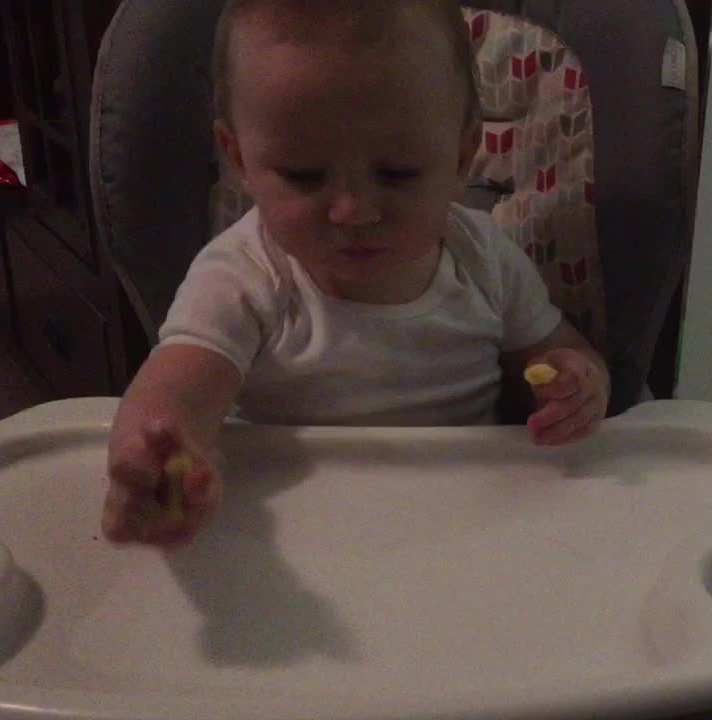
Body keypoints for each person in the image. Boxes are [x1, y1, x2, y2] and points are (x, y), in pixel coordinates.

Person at [101, 0, 609, 548]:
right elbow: (177, 389)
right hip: (299, 535)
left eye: (397, 173)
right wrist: (160, 456)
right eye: (304, 175)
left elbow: (555, 353)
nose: (353, 211)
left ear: (463, 155)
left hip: (464, 531)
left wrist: (575, 383)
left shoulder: (483, 258)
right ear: (240, 159)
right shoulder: (244, 275)